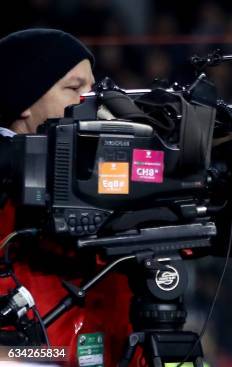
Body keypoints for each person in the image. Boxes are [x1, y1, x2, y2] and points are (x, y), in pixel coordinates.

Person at [0, 28, 136, 366]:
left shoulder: (117, 167)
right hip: (38, 351)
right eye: (74, 88)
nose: (90, 101)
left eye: (92, 88)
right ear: (23, 105)